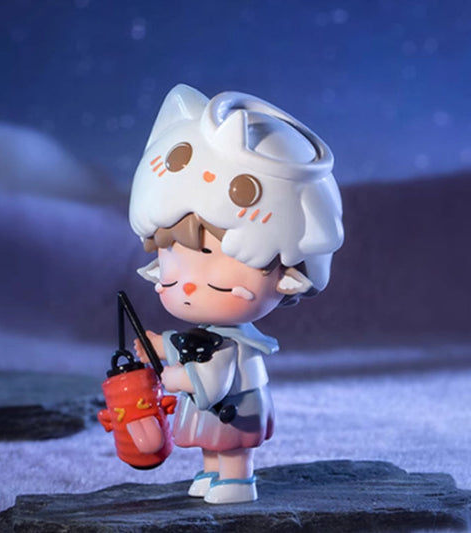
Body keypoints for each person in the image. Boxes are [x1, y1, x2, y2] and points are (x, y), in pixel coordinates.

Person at [129, 84, 343, 504]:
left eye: (212, 257)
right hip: (216, 410)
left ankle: (237, 480)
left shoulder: (231, 346)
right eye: (171, 255)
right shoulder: (209, 335)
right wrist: (159, 345)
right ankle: (213, 473)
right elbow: (189, 344)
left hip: (234, 406)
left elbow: (212, 379)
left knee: (231, 444)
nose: (188, 283)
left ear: (288, 275)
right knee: (213, 442)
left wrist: (174, 377)